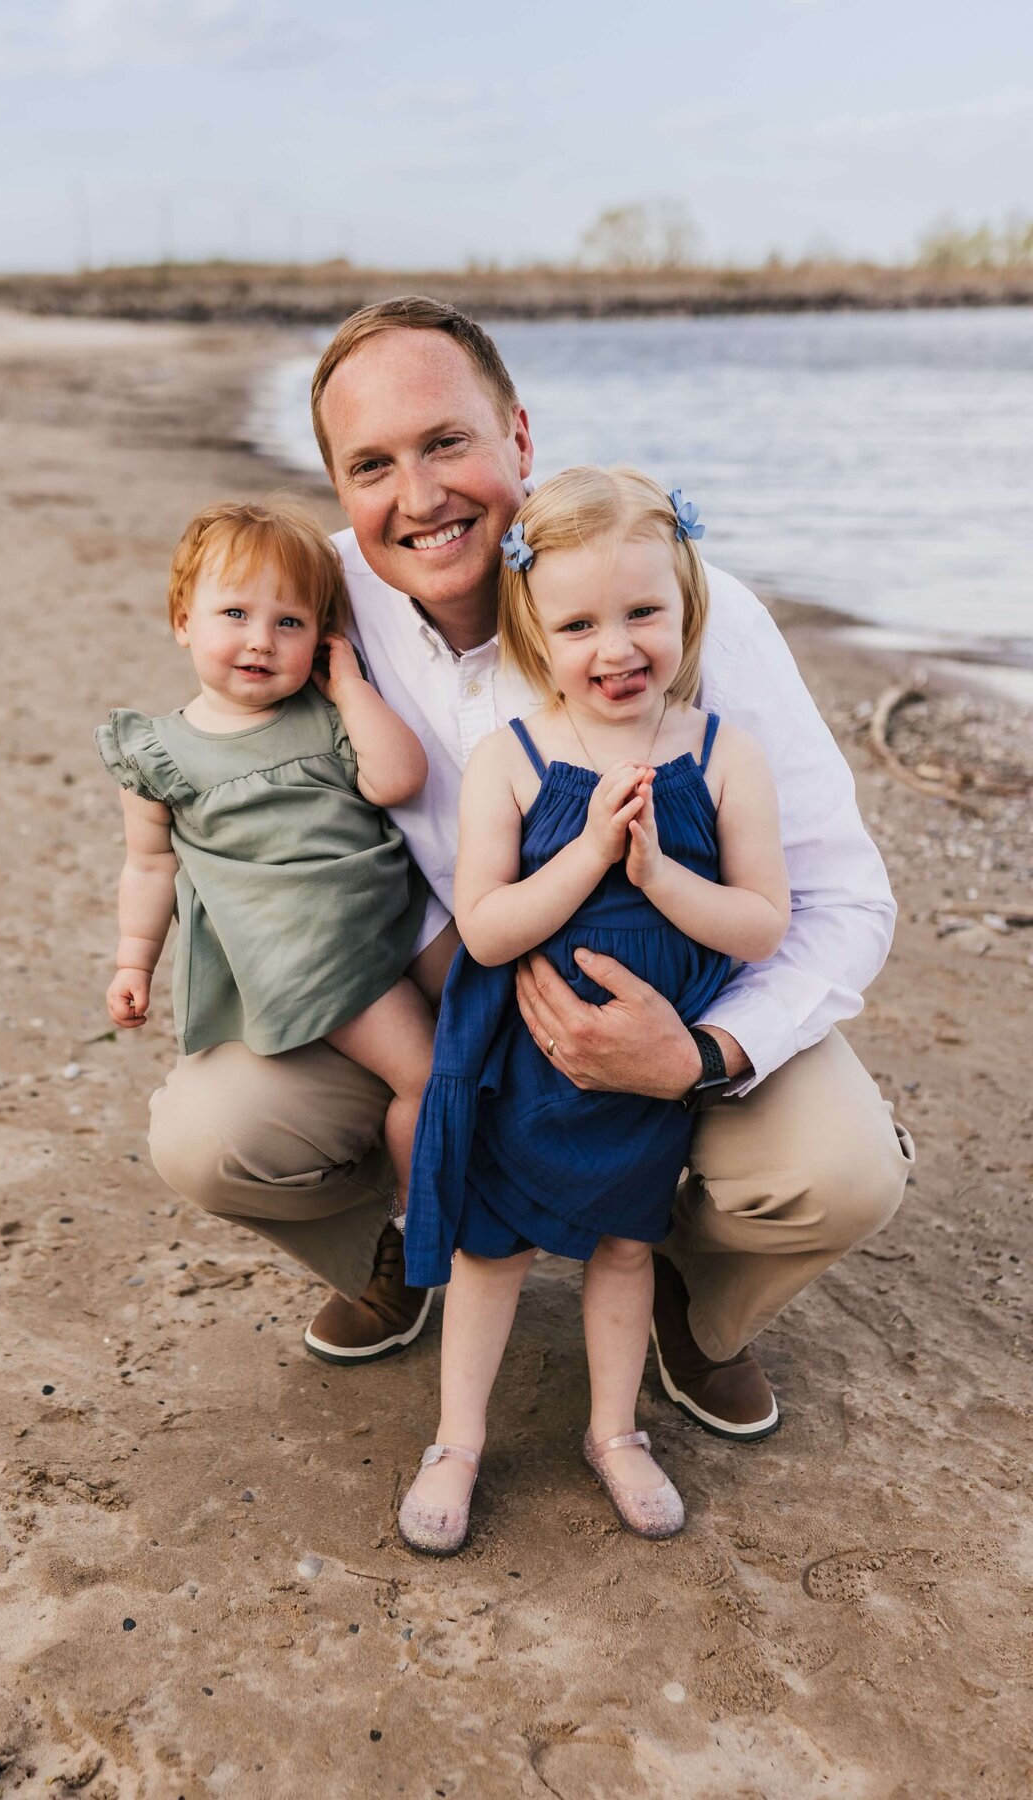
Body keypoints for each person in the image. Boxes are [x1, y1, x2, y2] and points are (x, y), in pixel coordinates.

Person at [147, 297, 913, 1434]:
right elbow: (231, 790)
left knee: (842, 1170)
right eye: (373, 464)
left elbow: (846, 900)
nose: (418, 497)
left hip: (667, 985)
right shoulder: (315, 614)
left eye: (446, 442)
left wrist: (700, 1051)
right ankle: (406, 1244)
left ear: (517, 436)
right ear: (340, 489)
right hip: (420, 1003)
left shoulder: (675, 617)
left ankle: (689, 1298)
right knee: (209, 1136)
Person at [396, 466, 791, 1551]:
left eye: (642, 613)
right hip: (523, 1057)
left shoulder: (720, 756)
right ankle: (458, 1439)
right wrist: (589, 853)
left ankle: (614, 1432)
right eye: (579, 624)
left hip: (650, 1062)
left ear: (687, 608)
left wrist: (662, 879)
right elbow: (485, 928)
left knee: (624, 1244)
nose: (615, 649)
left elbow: (762, 922)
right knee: (494, 1248)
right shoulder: (512, 760)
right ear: (534, 631)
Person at [96, 497, 442, 1237]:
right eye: (234, 615)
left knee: (511, 997)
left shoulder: (327, 713)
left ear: (321, 638)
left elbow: (398, 779)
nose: (260, 641)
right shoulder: (158, 753)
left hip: (406, 919)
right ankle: (420, 1218)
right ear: (183, 620)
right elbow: (148, 867)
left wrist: (348, 686)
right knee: (429, 1074)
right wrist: (134, 962)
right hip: (330, 963)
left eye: (289, 622)